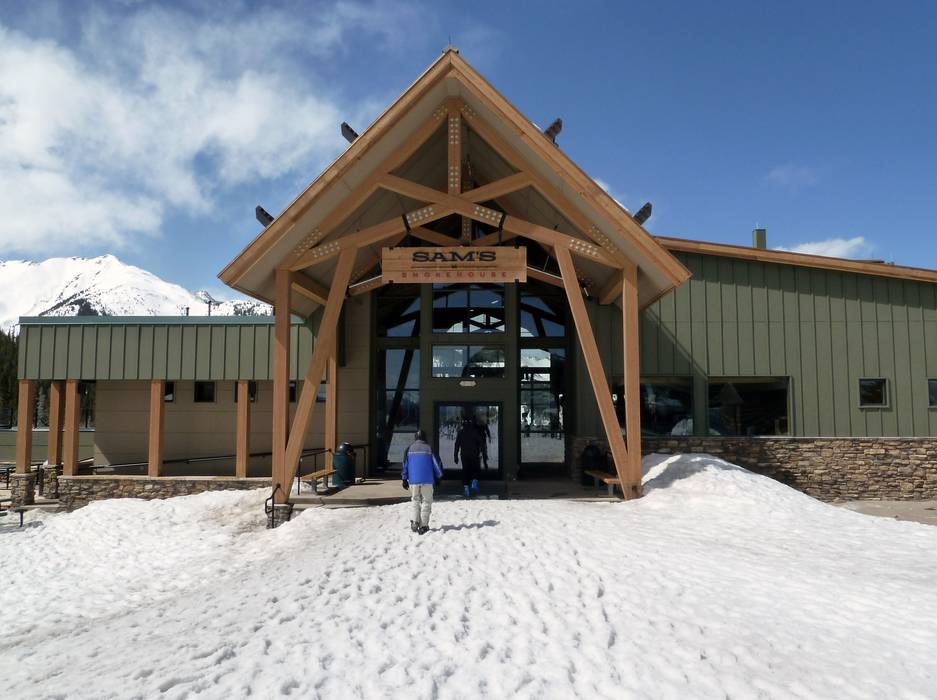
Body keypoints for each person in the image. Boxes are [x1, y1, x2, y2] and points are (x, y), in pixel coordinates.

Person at [401, 429, 443, 535]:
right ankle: (423, 526)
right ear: (425, 438)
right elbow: (436, 464)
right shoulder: (429, 448)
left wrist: (404, 479)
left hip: (413, 480)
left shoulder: (409, 449)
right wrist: (438, 477)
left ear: (415, 438)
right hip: (427, 480)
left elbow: (405, 465)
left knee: (415, 500)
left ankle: (415, 521)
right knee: (426, 501)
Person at [454, 415, 488, 497]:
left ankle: (466, 488)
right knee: (475, 469)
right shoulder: (475, 432)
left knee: (465, 471)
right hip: (474, 454)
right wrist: (484, 455)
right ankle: (474, 482)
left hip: (464, 455)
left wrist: (455, 456)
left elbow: (457, 445)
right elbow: (482, 444)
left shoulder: (461, 432)